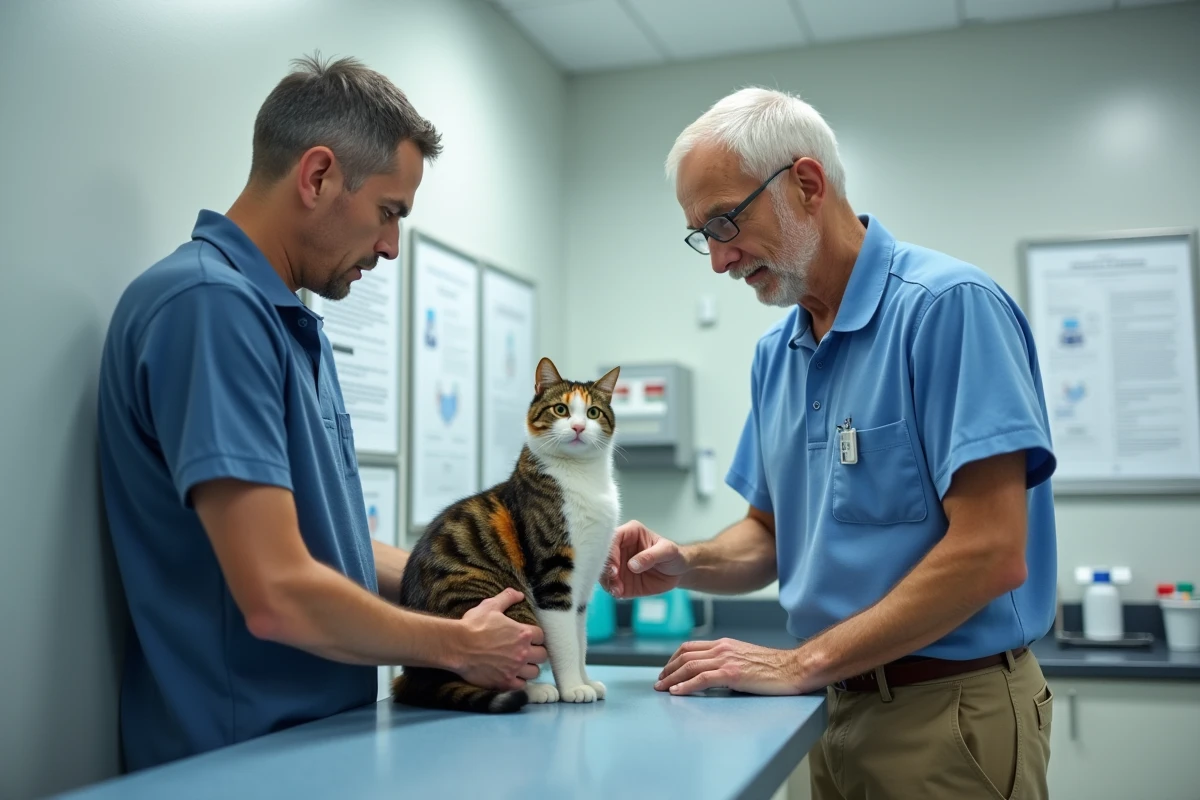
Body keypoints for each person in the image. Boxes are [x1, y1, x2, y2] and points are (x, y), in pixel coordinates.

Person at [603, 87, 1057, 799]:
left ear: (807, 185)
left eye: (726, 223)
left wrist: (796, 664)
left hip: (948, 709)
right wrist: (686, 561)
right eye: (703, 235)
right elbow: (769, 534)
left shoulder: (948, 310)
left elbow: (991, 552)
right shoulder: (775, 354)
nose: (719, 261)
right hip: (826, 708)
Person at [97, 54, 546, 772]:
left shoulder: (288, 324)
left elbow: (330, 552)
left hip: (310, 750)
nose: (392, 246)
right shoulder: (208, 309)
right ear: (317, 176)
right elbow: (277, 592)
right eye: (389, 213)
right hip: (231, 761)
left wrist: (508, 587)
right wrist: (458, 645)